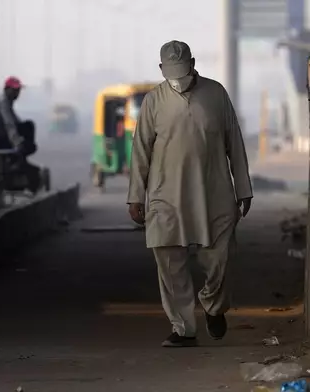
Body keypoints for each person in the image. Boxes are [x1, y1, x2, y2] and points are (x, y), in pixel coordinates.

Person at [127, 40, 253, 348]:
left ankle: (213, 304)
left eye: (183, 71)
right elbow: (140, 150)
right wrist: (136, 196)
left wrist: (243, 187)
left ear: (194, 63)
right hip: (165, 194)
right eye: (171, 73)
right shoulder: (153, 102)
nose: (179, 78)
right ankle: (182, 328)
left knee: (221, 257)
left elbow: (233, 141)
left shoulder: (216, 94)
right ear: (161, 70)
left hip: (215, 190)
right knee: (170, 262)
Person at [0, 76, 37, 158]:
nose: (17, 93)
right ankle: (20, 155)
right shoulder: (3, 102)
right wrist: (18, 143)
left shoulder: (8, 102)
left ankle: (22, 155)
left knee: (28, 126)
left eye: (18, 90)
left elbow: (15, 121)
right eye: (14, 90)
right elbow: (9, 123)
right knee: (27, 129)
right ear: (6, 89)